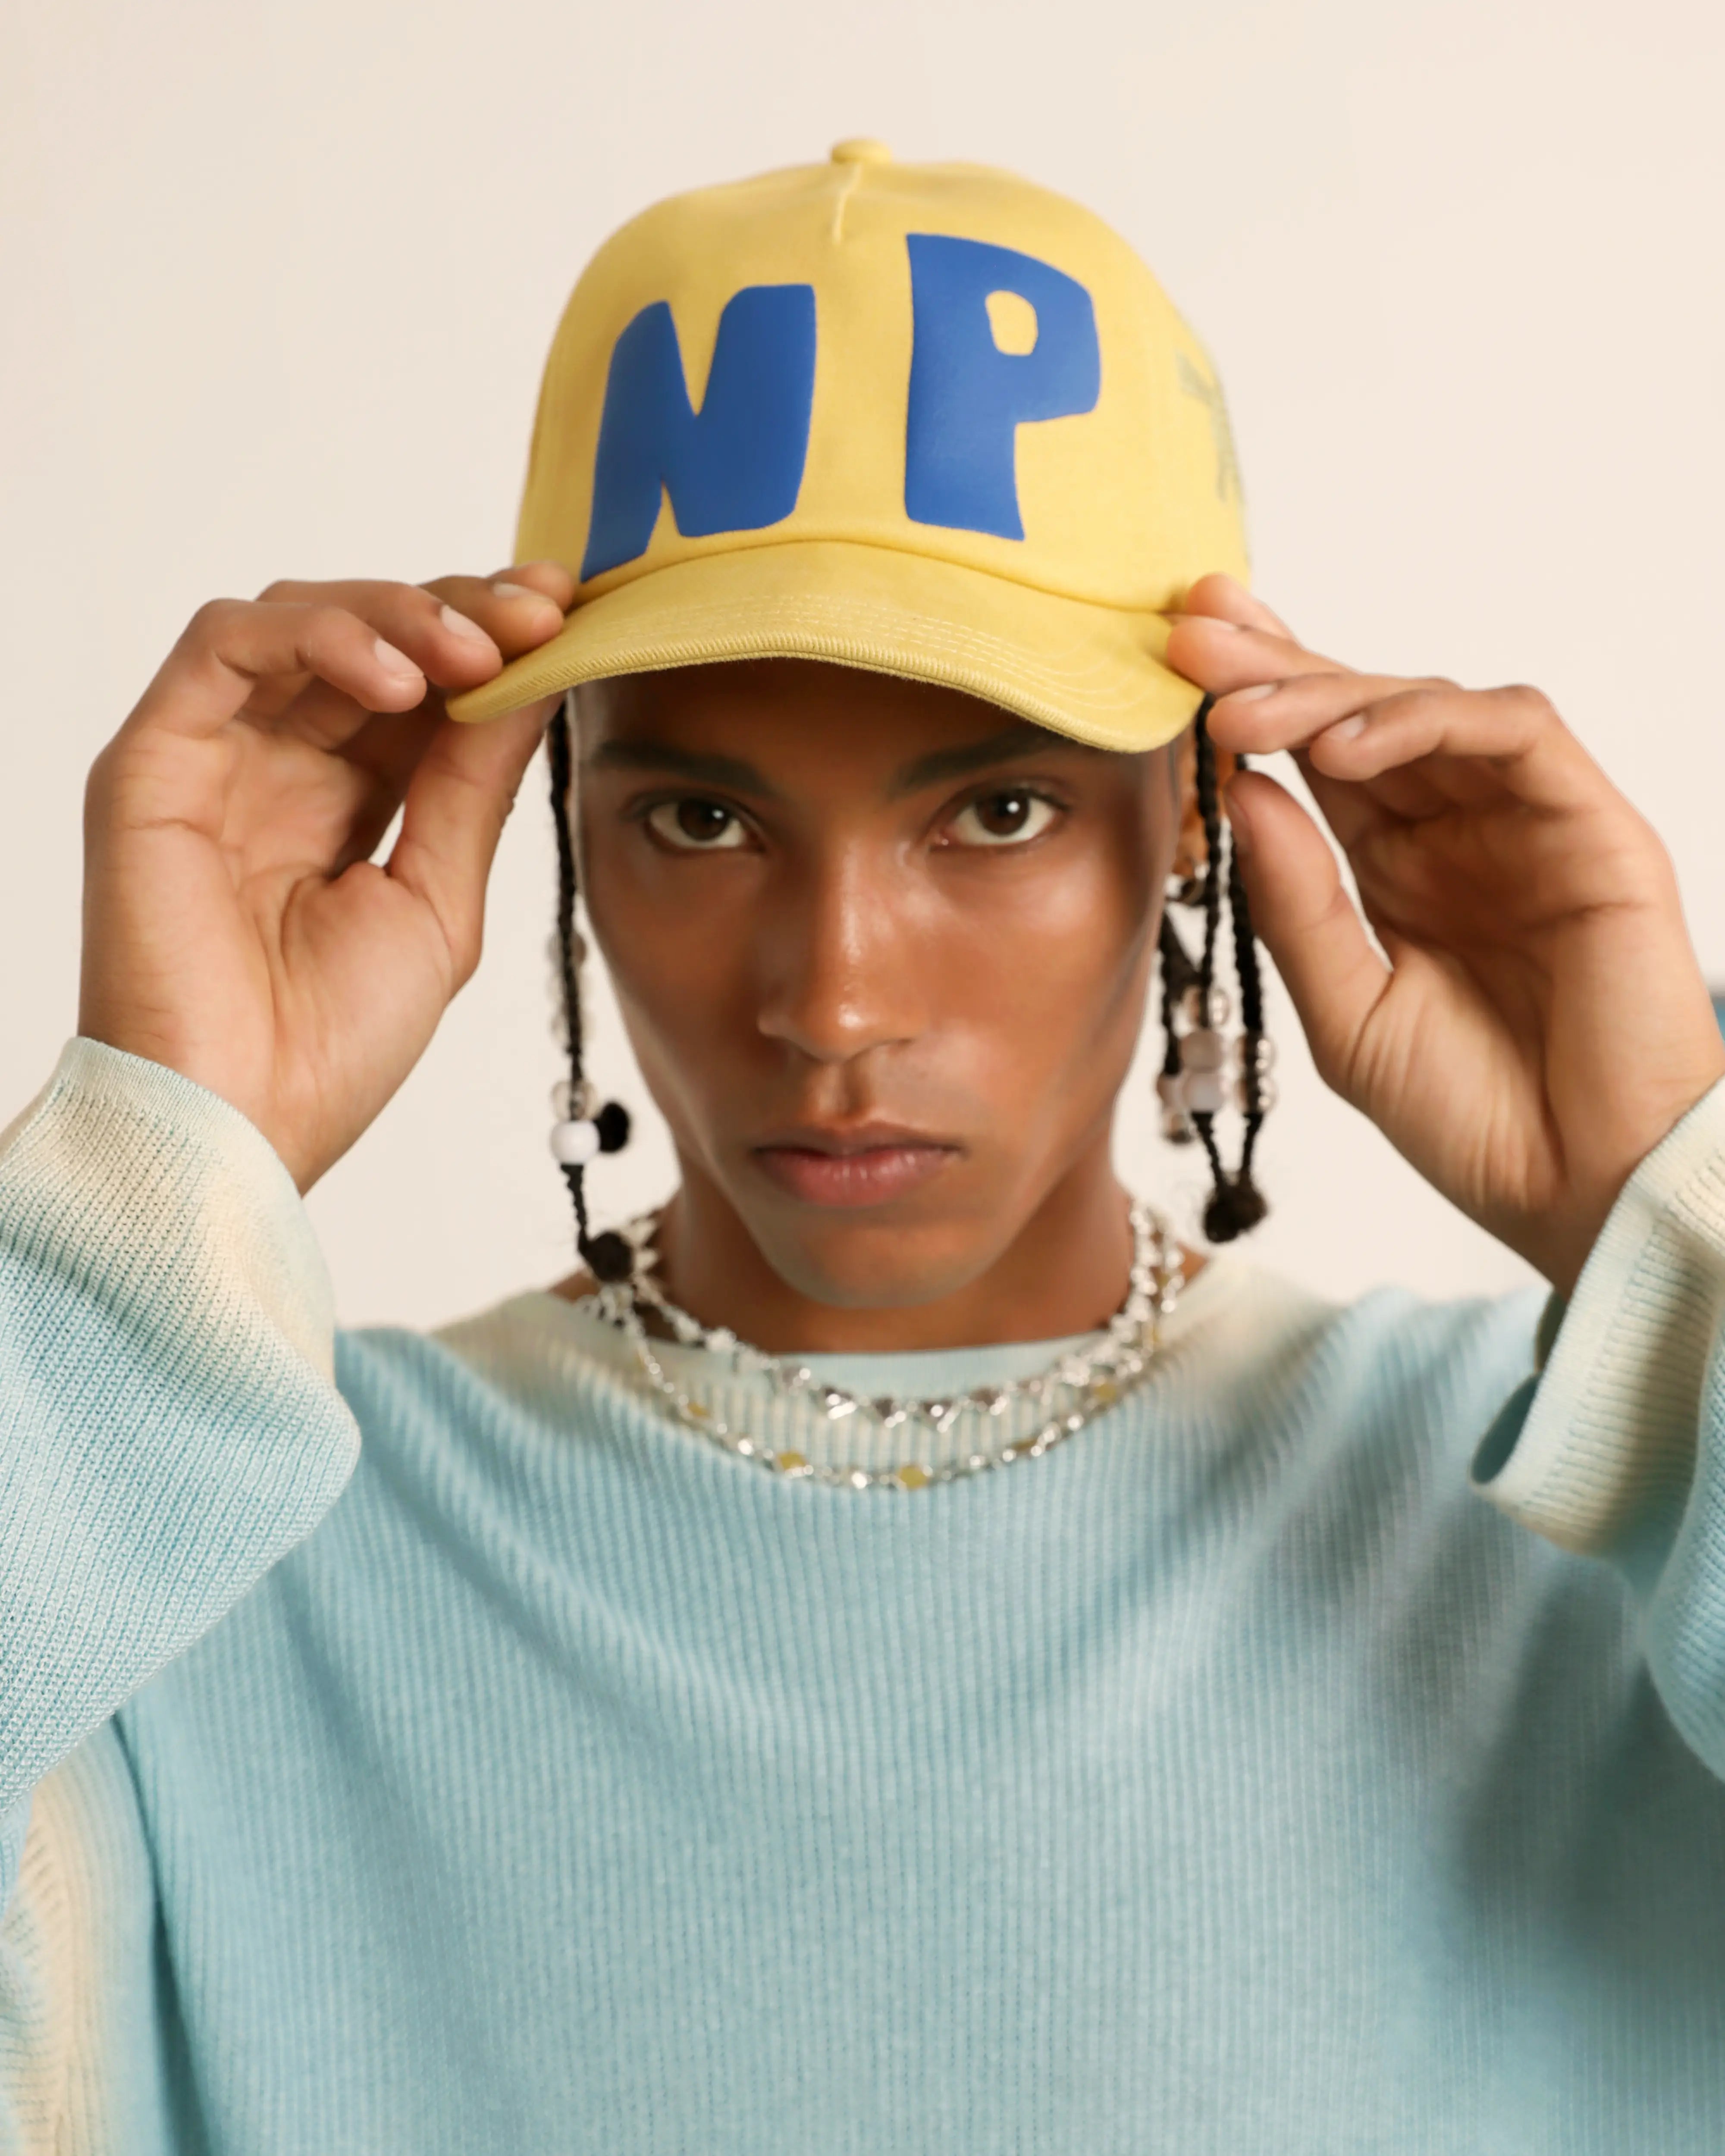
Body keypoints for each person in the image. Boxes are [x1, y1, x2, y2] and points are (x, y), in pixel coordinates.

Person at [3, 140, 1725, 2155]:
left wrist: (1671, 1215)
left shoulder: (1581, 1522)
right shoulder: (199, 1547)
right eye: (700, 818)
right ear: (555, 811)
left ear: (1196, 810)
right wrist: (149, 1180)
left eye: (994, 811)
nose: (832, 1000)